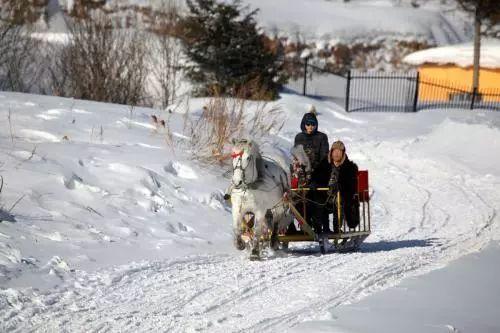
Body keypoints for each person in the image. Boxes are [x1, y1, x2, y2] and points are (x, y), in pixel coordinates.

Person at [293, 110, 330, 235]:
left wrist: (314, 172)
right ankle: (303, 223)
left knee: (318, 196)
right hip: (302, 175)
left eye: (313, 124)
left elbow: (325, 157)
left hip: (318, 173)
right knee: (296, 197)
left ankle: (323, 226)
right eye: (308, 124)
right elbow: (296, 156)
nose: (310, 127)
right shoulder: (299, 137)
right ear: (304, 124)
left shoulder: (322, 137)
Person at [328, 140, 360, 233]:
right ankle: (318, 228)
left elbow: (351, 185)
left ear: (343, 153)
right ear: (331, 152)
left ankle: (336, 228)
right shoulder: (325, 165)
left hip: (343, 195)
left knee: (338, 200)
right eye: (335, 151)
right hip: (326, 194)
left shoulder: (350, 167)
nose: (337, 153)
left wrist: (339, 185)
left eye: (339, 151)